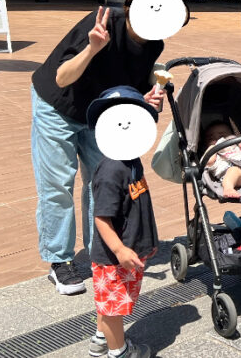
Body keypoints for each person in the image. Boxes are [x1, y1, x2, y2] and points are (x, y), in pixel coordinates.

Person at [30, 0, 188, 296]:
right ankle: (59, 262)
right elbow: (62, 77)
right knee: (58, 185)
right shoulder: (103, 21)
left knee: (100, 182)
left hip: (101, 114)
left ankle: (99, 251)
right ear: (135, 2)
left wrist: (147, 98)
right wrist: (92, 48)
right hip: (58, 106)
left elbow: (134, 87)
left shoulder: (154, 43)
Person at [85, 85, 161, 358]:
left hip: (127, 251)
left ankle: (100, 338)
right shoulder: (111, 171)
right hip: (113, 258)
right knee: (114, 307)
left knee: (111, 303)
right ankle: (119, 351)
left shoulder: (130, 157)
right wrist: (119, 250)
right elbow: (101, 218)